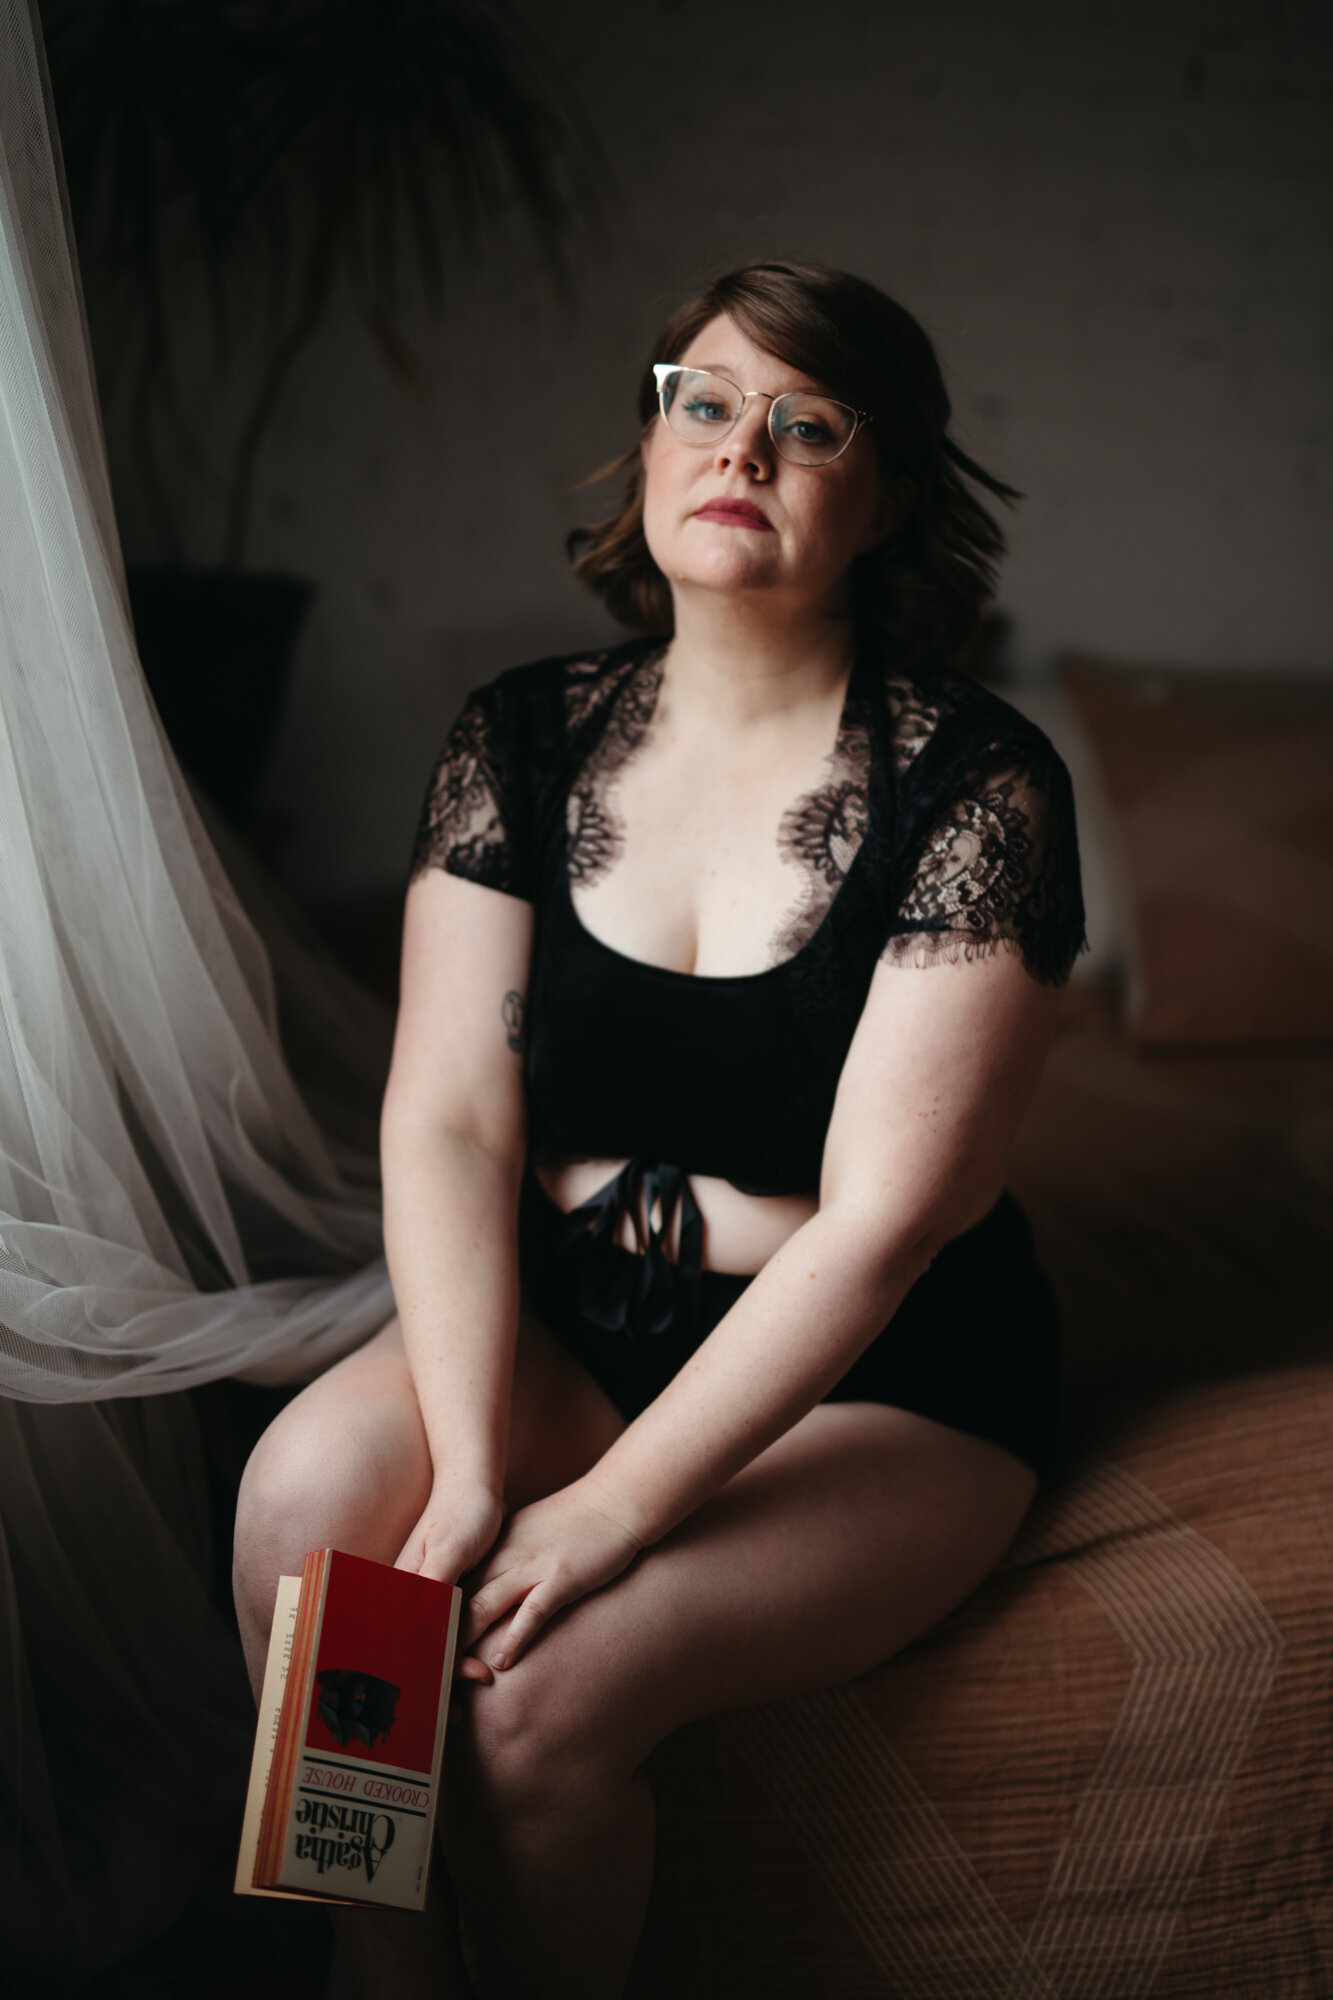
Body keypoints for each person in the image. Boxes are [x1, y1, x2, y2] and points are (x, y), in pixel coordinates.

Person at [232, 260, 1085, 1999]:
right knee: (306, 1497)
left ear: (890, 493)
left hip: (881, 1382)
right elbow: (454, 1117)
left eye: (807, 421)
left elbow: (875, 1226)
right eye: (702, 399)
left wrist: (610, 1512)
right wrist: (475, 1469)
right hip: (573, 1321)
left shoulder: (979, 783)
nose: (740, 447)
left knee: (534, 1705)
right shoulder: (518, 738)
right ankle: (382, 1972)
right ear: (646, 442)